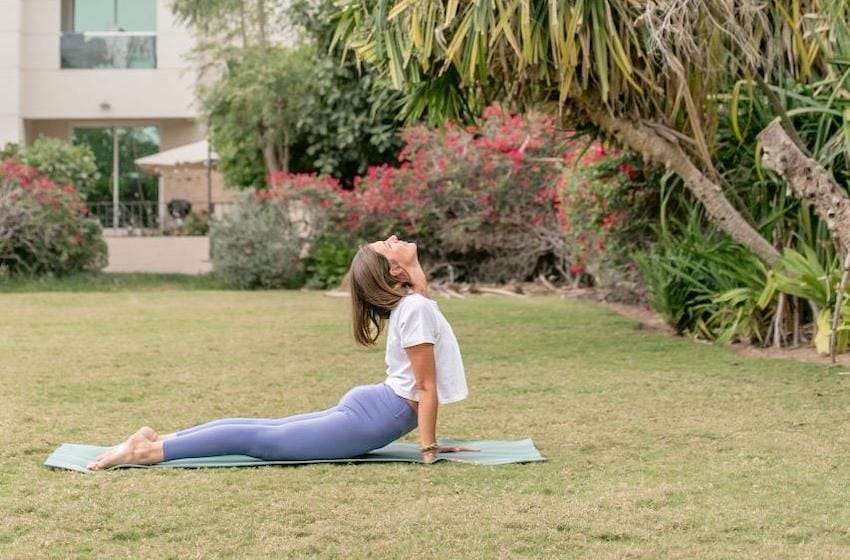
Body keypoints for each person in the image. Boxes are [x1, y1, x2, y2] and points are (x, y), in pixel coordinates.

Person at [87, 234, 478, 471]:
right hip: (379, 414)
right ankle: (150, 449)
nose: (394, 238)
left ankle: (157, 438)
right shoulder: (416, 307)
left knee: (267, 428)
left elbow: (423, 309)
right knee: (266, 440)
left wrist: (428, 442)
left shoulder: (414, 305)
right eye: (387, 245)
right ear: (394, 273)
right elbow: (426, 388)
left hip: (377, 406)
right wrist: (428, 450)